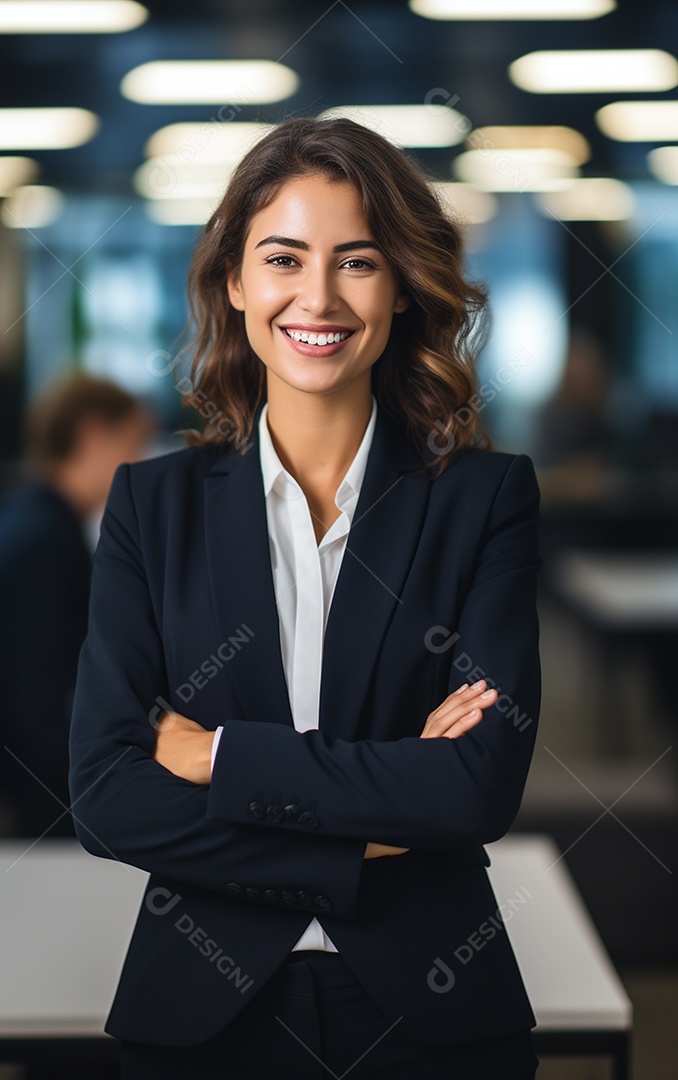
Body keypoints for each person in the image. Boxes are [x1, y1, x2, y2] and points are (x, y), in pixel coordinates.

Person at [69, 118, 541, 1079]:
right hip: (201, 1014)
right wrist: (367, 838)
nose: (317, 297)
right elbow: (108, 796)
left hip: (434, 1012)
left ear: (401, 285)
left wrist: (219, 757)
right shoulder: (152, 507)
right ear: (235, 282)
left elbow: (475, 786)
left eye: (356, 262)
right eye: (283, 258)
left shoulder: (484, 500)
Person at [0, 373, 152, 838]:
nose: (140, 462)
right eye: (134, 443)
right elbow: (39, 705)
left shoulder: (29, 516)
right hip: (37, 812)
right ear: (93, 435)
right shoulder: (46, 542)